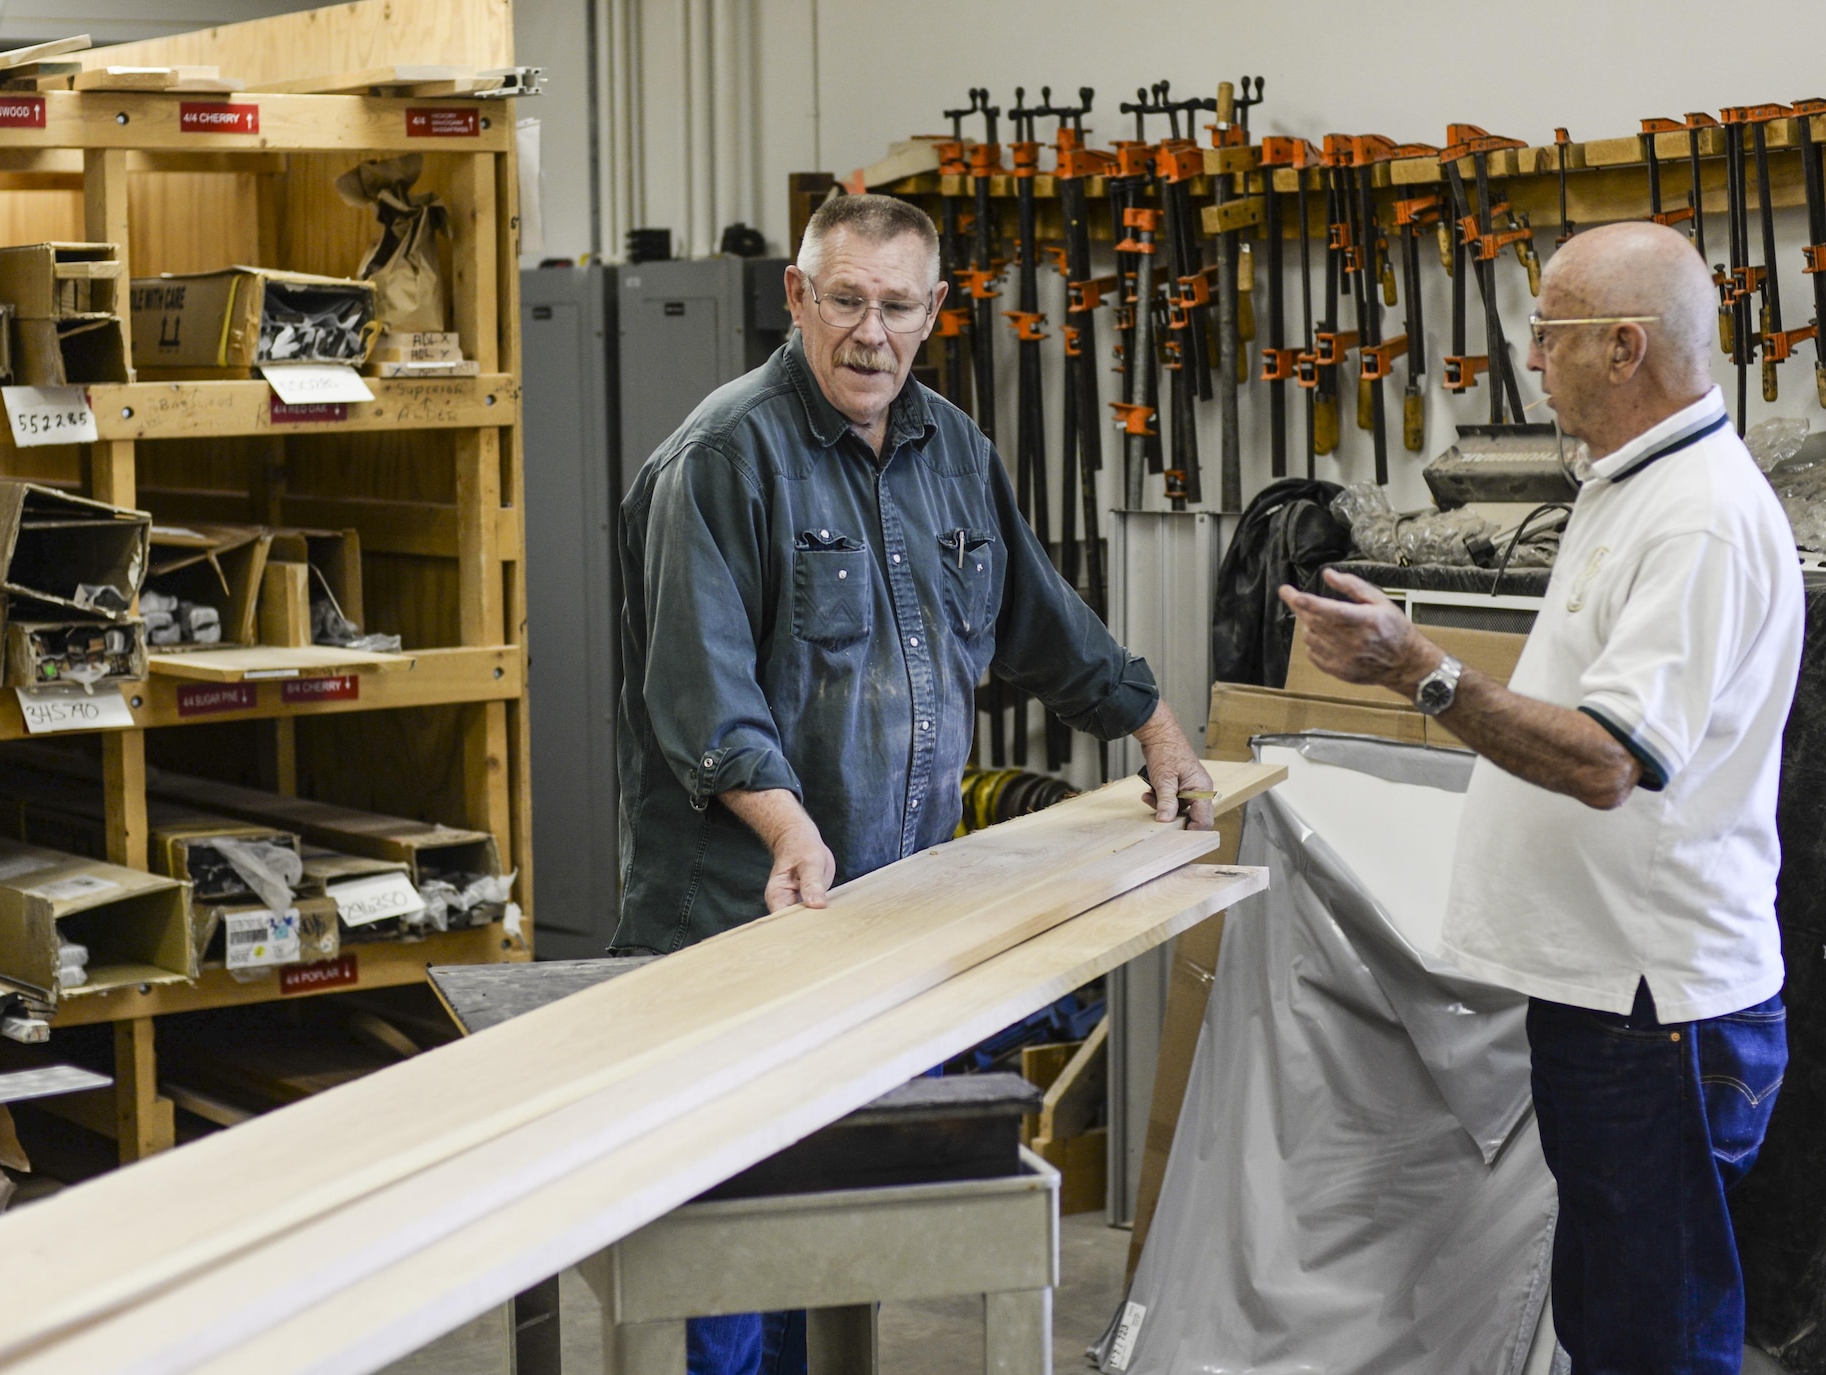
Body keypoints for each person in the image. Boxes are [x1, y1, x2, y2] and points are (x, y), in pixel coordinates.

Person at [614, 192, 1214, 1374]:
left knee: (838, 1237)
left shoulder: (954, 452)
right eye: (843, 301)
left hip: (887, 928)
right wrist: (787, 826)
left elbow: (1040, 622)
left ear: (933, 312)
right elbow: (700, 693)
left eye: (895, 306)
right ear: (796, 297)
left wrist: (1150, 721)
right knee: (731, 1259)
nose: (868, 334)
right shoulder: (721, 460)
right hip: (744, 926)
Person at [1280, 221, 1800, 1375]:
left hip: (1652, 1007)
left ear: (1623, 348)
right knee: (1617, 1316)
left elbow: (1608, 760)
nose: (1526, 357)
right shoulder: (1633, 487)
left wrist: (1417, 669)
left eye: (1548, 332)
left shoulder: (1696, 518)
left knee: (1650, 1337)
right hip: (1612, 997)